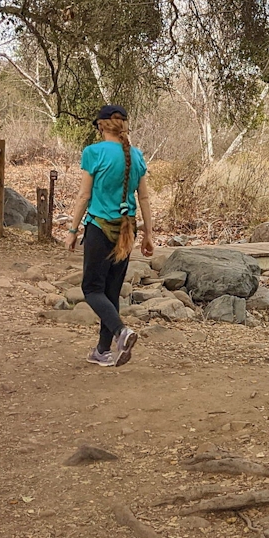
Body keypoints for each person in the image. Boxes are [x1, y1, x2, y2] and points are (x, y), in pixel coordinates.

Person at [65, 104, 154, 366]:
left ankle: (120, 332)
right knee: (111, 290)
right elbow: (145, 197)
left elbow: (84, 195)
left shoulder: (93, 153)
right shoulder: (136, 156)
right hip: (128, 229)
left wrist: (72, 230)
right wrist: (149, 234)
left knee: (91, 288)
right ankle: (102, 351)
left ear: (102, 125)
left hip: (100, 227)